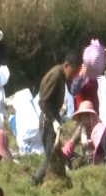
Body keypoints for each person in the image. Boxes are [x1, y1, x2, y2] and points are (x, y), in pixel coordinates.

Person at [31, 51, 82, 186]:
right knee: (50, 159)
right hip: (48, 121)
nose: (73, 75)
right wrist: (53, 120)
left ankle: (48, 182)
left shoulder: (62, 76)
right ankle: (33, 182)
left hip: (53, 117)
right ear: (66, 65)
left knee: (54, 155)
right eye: (73, 71)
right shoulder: (55, 76)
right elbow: (43, 102)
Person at [66, 40, 106, 152]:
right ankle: (67, 151)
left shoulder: (96, 74)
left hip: (94, 110)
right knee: (81, 132)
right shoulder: (81, 73)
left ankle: (95, 153)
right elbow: (73, 90)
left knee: (95, 133)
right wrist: (81, 76)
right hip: (83, 110)